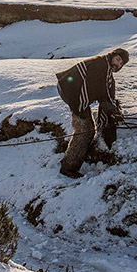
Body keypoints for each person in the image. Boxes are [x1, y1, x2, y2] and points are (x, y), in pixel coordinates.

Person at [55, 48, 129, 178]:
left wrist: (115, 112)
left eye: (121, 64)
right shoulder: (100, 65)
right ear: (112, 55)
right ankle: (68, 167)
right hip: (71, 91)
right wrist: (111, 112)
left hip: (73, 91)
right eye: (118, 59)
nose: (117, 64)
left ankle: (70, 158)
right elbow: (100, 92)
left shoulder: (106, 70)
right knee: (85, 130)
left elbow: (108, 94)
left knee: (87, 128)